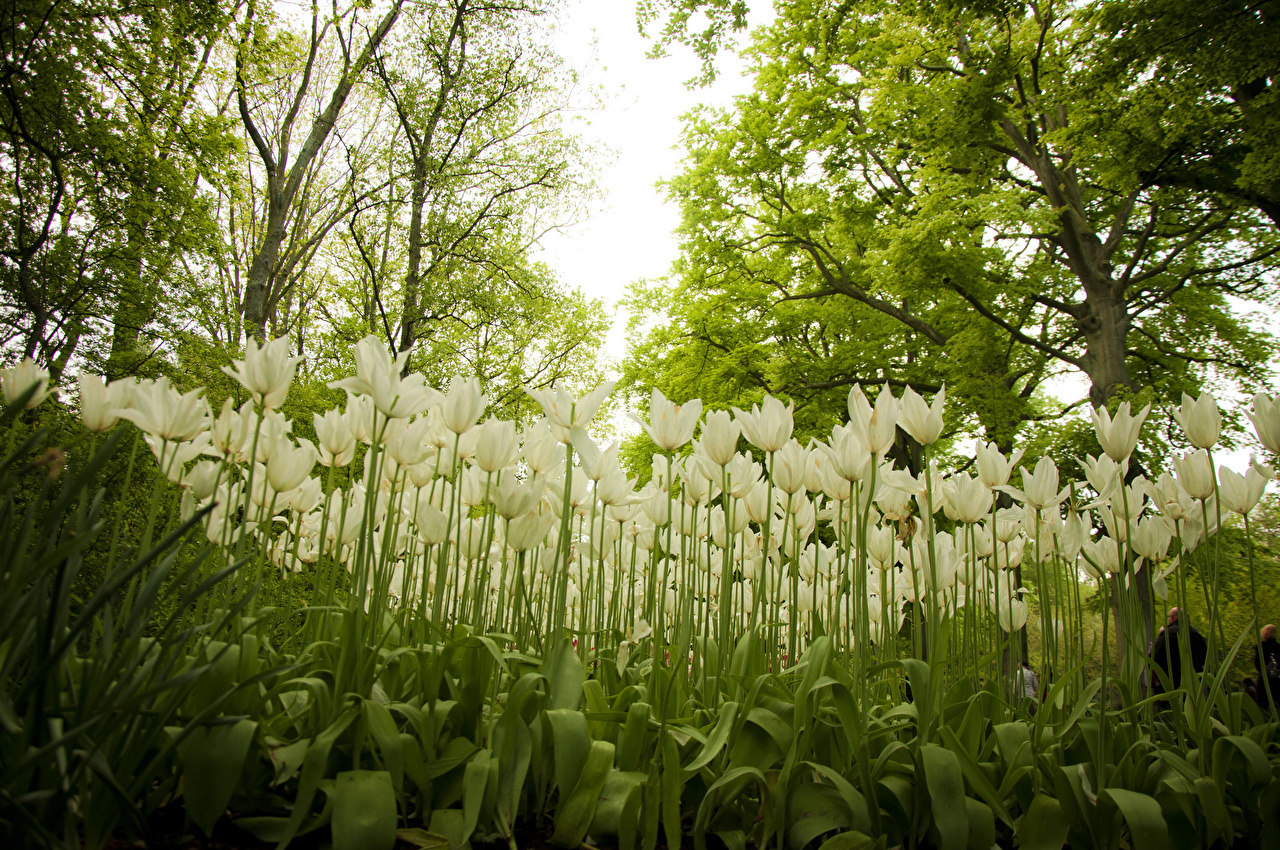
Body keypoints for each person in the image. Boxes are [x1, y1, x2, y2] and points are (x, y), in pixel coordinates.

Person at [1149, 607, 1208, 696]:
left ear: (1172, 618)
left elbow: (1153, 656)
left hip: (1169, 685)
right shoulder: (1197, 636)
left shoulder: (1167, 634)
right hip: (1193, 685)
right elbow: (1205, 659)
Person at [1255, 624, 1280, 708]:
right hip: (1277, 680)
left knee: (1263, 704)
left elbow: (1257, 665)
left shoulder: (1260, 646)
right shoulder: (1278, 647)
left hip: (1264, 679)